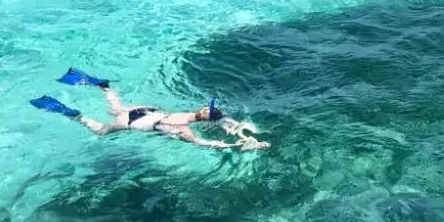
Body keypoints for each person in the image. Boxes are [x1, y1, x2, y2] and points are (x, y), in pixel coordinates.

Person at [30, 68, 269, 151]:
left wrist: (238, 129)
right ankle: (76, 115)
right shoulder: (185, 130)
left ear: (202, 110)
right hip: (138, 123)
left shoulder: (187, 114)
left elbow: (223, 118)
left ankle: (103, 87)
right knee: (102, 130)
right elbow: (207, 144)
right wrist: (240, 144)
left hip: (148, 111)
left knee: (118, 108)